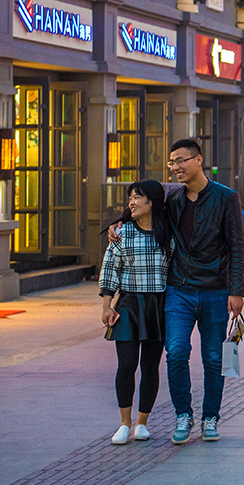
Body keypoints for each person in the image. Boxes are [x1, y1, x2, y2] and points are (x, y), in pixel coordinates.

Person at [109, 139, 244, 444]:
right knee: (176, 353)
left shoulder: (226, 198)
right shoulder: (172, 200)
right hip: (178, 290)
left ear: (198, 160)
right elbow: (145, 214)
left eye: (181, 160)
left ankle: (210, 417)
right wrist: (119, 222)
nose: (175, 167)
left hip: (215, 290)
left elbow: (238, 247)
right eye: (172, 162)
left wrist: (237, 291)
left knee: (213, 357)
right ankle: (183, 415)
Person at [99, 180, 174, 445]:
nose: (131, 202)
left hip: (158, 306)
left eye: (137, 198)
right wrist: (106, 305)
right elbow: (110, 269)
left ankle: (142, 423)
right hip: (128, 306)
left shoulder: (168, 234)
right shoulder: (122, 233)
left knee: (150, 367)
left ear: (152, 202)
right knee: (127, 365)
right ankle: (124, 423)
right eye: (130, 198)